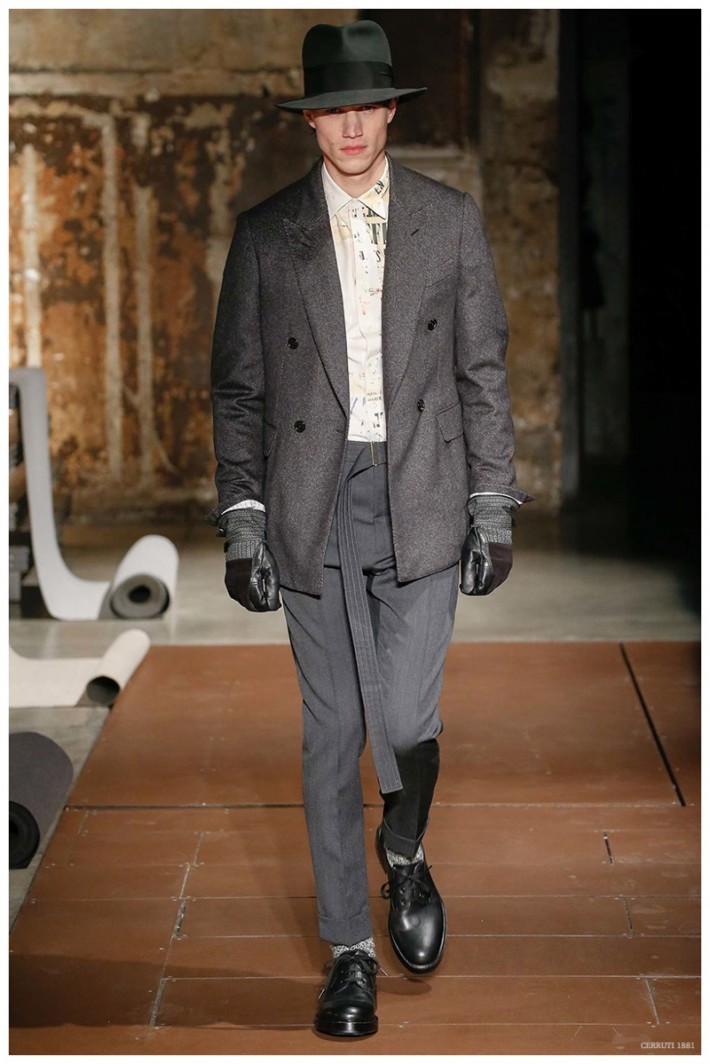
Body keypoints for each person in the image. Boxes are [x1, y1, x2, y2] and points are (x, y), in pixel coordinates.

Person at [209, 19, 530, 1038]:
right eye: (331, 110)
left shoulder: (449, 221)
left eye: (365, 107)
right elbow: (238, 391)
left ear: (389, 112)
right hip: (312, 501)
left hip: (422, 490)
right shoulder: (267, 235)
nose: (350, 127)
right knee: (332, 731)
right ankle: (349, 950)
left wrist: (491, 503)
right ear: (311, 122)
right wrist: (244, 521)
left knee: (403, 720)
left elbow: (481, 369)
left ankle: (404, 849)